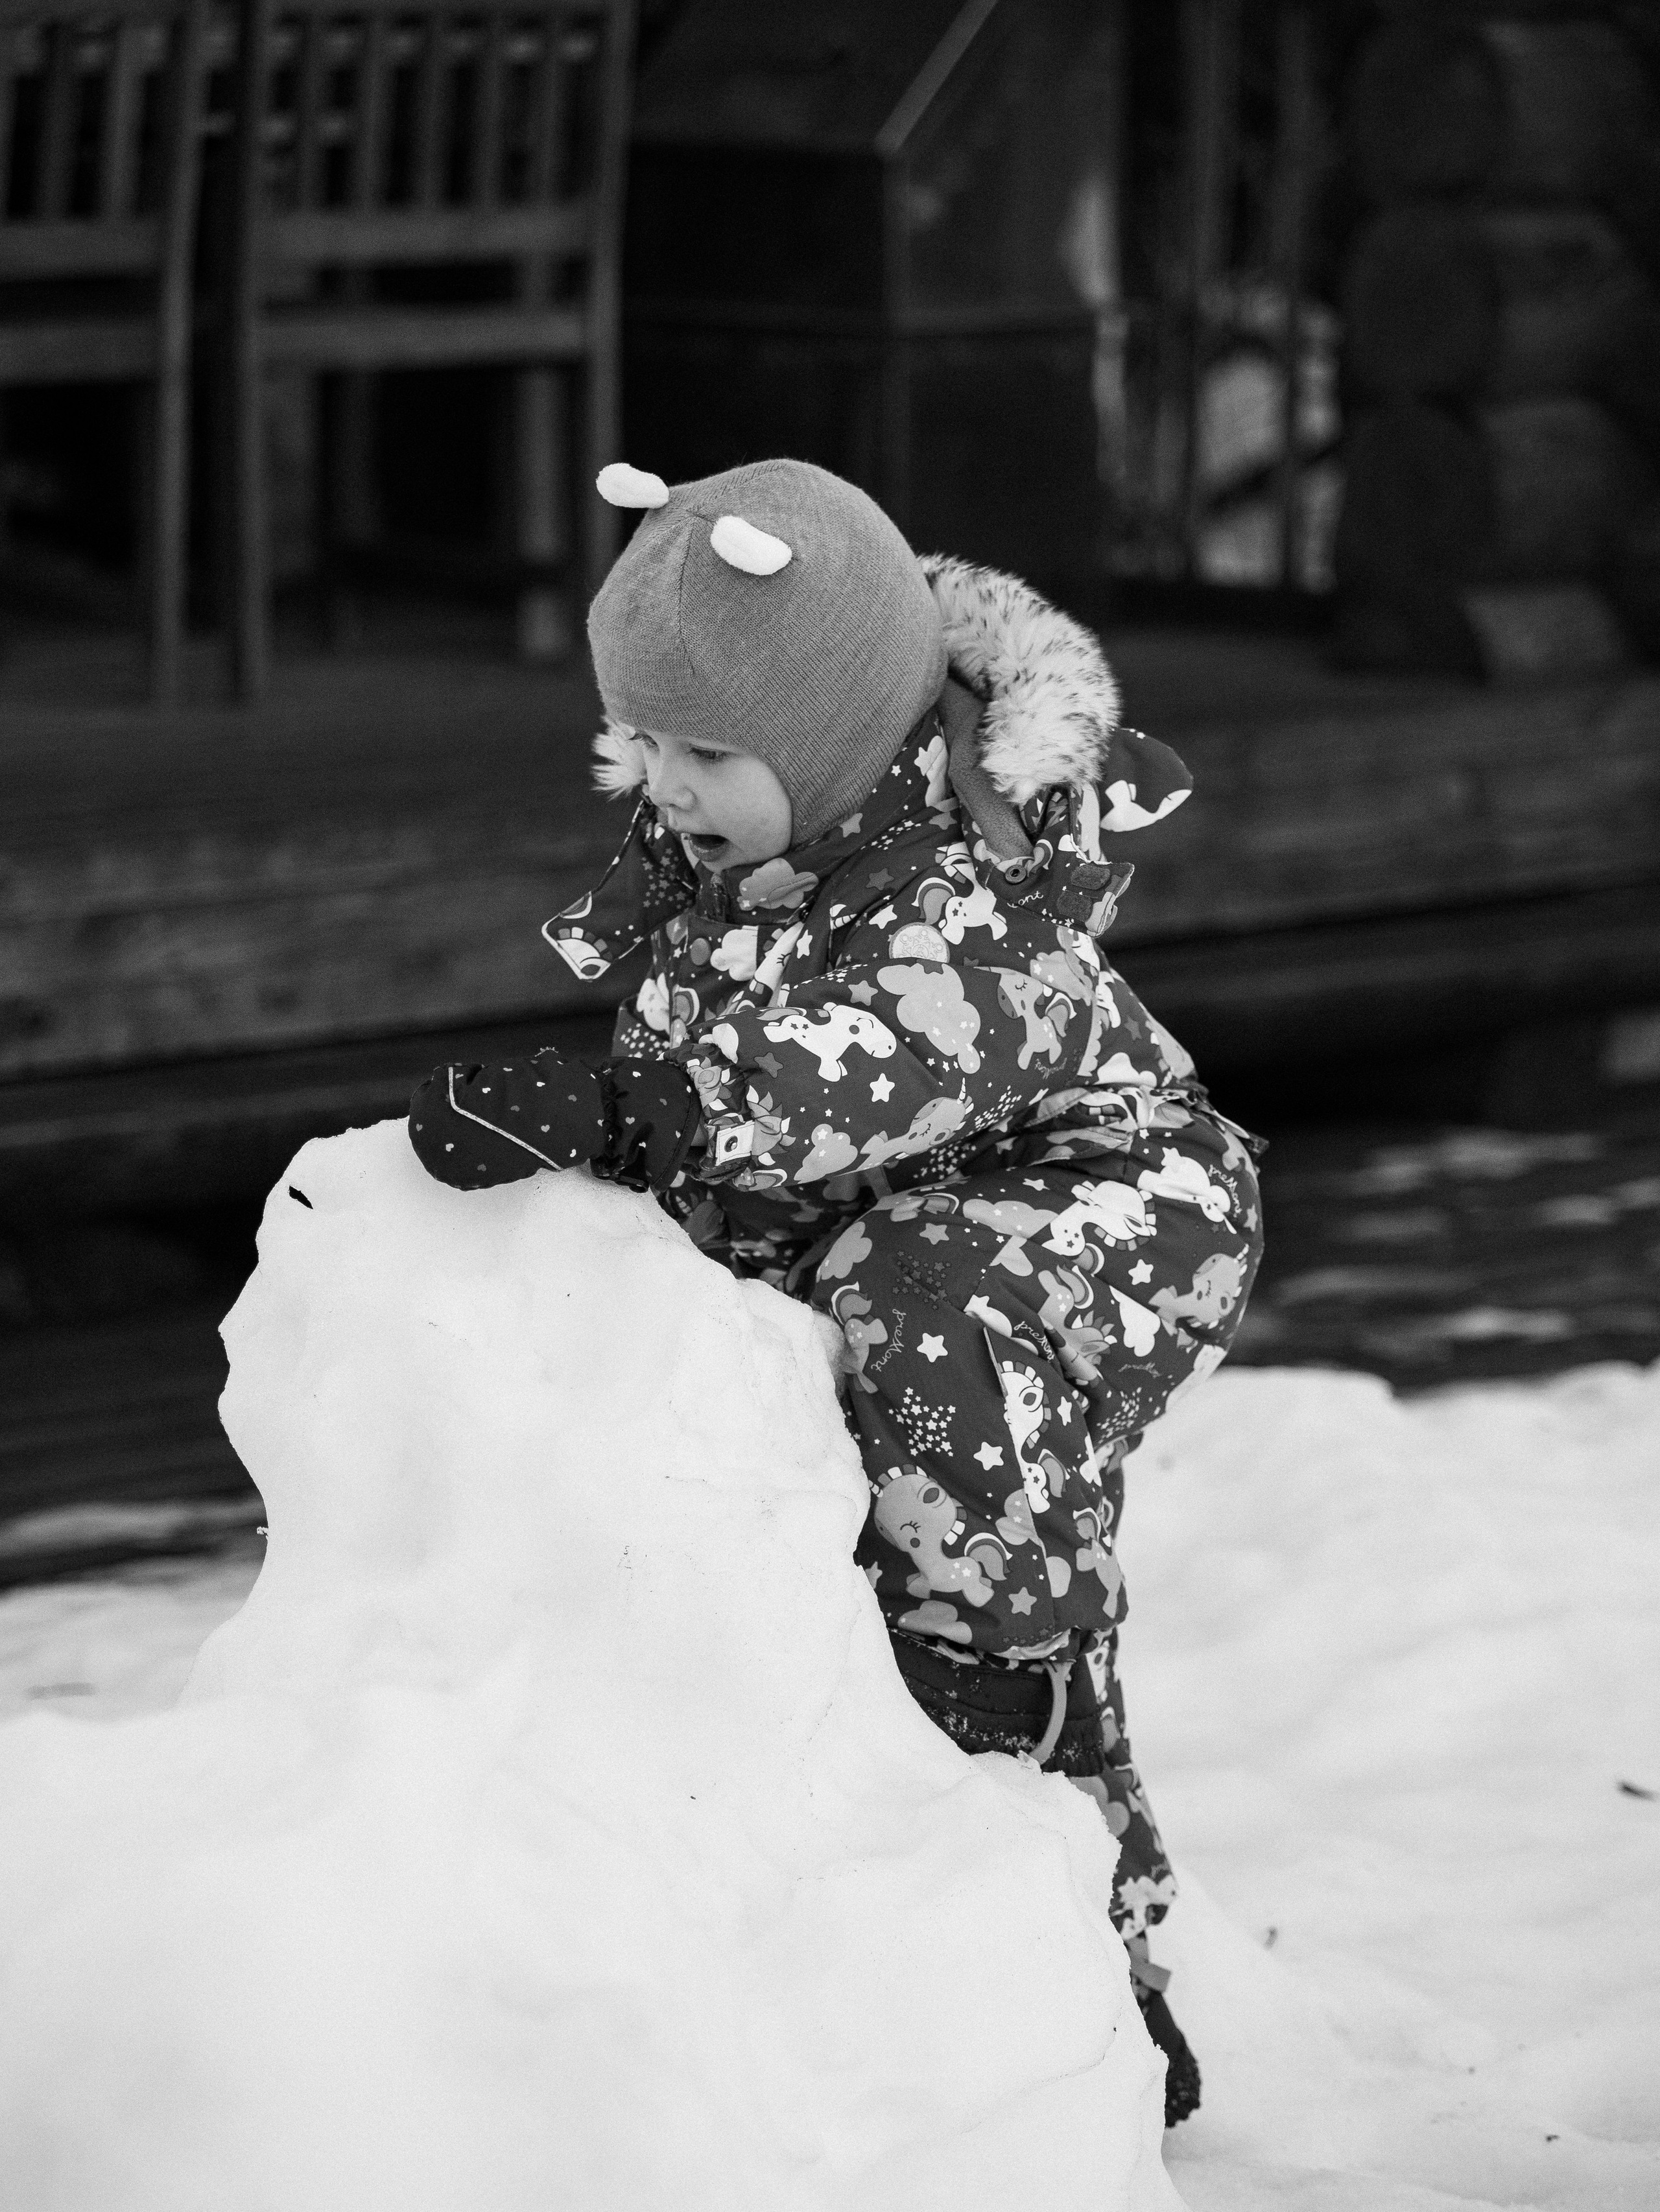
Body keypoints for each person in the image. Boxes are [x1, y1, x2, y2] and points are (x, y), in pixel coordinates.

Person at [407, 458, 1263, 2126]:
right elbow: (722, 1073)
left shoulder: (980, 882)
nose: (661, 783)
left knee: (927, 1360)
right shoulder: (737, 842)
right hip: (884, 1207)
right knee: (821, 1342)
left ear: (835, 733)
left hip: (1110, 1211)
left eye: (705, 750)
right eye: (638, 740)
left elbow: (847, 1068)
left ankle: (1052, 1850)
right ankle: (953, 1881)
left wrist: (627, 1113)